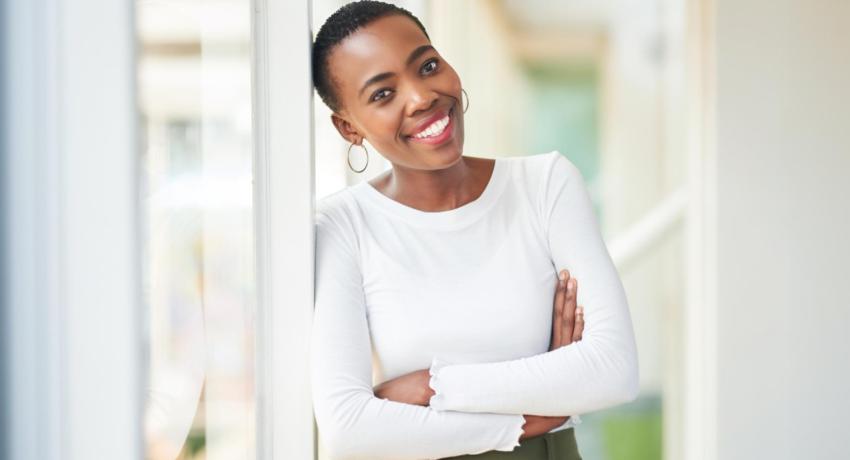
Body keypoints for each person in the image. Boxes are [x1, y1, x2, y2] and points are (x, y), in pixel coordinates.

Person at [310, 2, 639, 459]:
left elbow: (613, 368)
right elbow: (348, 426)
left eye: (427, 66)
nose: (422, 97)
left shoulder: (545, 185)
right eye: (383, 94)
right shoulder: (341, 226)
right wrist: (534, 414)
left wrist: (434, 384)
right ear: (349, 128)